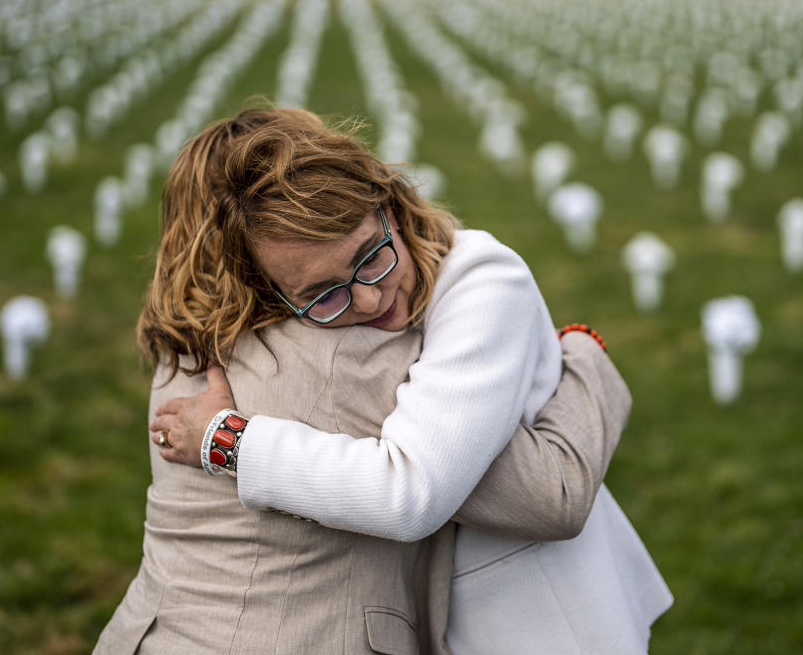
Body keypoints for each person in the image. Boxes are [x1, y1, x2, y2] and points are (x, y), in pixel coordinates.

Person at [98, 110, 638, 653]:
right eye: (322, 291)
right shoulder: (350, 358)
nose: (370, 300)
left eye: (370, 257)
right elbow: (551, 493)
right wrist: (586, 356)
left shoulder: (182, 347)